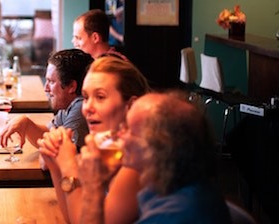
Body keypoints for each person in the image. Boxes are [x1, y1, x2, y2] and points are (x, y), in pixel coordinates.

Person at [78, 91, 232, 223]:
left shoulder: (176, 214)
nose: (120, 135)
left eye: (129, 129)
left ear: (158, 147)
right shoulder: (165, 186)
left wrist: (93, 186)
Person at [38, 56, 150, 224]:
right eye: (85, 97)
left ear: (130, 106)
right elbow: (74, 218)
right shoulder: (108, 149)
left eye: (100, 97)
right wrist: (55, 165)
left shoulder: (135, 164)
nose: (87, 108)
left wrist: (69, 166)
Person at [0, 49, 92, 153]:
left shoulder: (80, 107)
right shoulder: (68, 103)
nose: (46, 88)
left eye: (51, 82)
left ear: (71, 86)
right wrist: (27, 123)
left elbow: (60, 154)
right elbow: (48, 134)